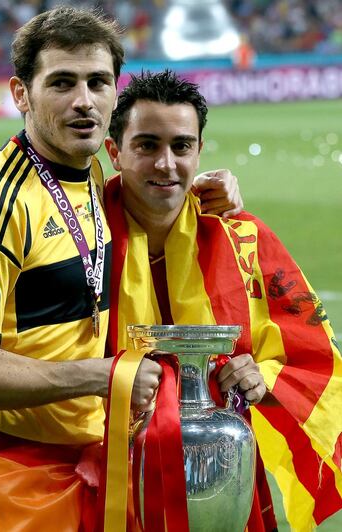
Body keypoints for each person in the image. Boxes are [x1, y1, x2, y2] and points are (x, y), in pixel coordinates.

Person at [0, 7, 243, 532]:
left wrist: (201, 186)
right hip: (6, 477)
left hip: (82, 465)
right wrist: (102, 376)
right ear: (21, 94)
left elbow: (144, 206)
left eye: (98, 82)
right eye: (62, 83)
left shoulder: (84, 174)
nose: (84, 100)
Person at [103, 70, 342, 531]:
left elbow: (316, 354)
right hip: (107, 481)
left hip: (221, 477)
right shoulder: (81, 241)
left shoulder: (245, 239)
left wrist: (262, 375)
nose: (166, 164)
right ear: (115, 152)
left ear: (200, 152)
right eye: (147, 145)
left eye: (181, 146)